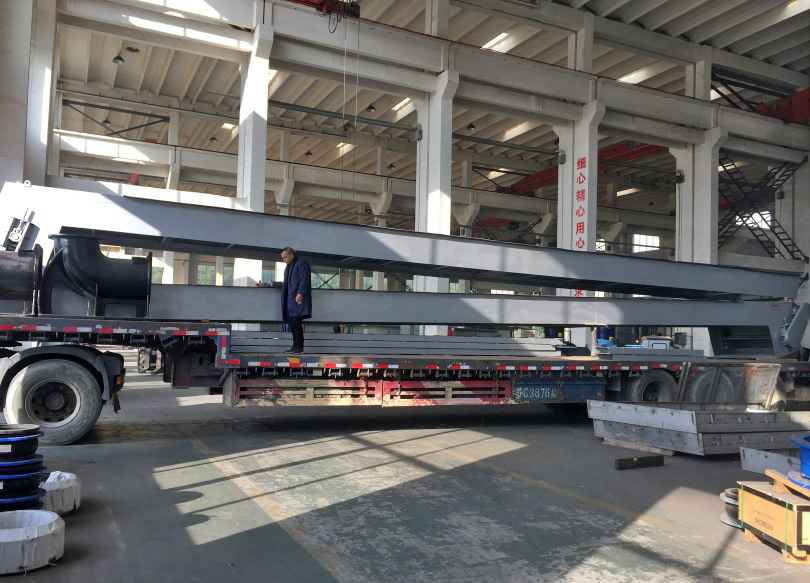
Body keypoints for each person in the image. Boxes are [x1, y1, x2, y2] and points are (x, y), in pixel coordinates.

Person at [280, 247, 312, 354]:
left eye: (285, 257)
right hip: (290, 300)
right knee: (293, 324)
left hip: (297, 299)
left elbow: (304, 279)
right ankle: (295, 346)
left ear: (291, 255)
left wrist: (300, 293)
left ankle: (299, 347)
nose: (284, 259)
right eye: (283, 258)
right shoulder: (289, 266)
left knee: (296, 323)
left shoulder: (301, 263)